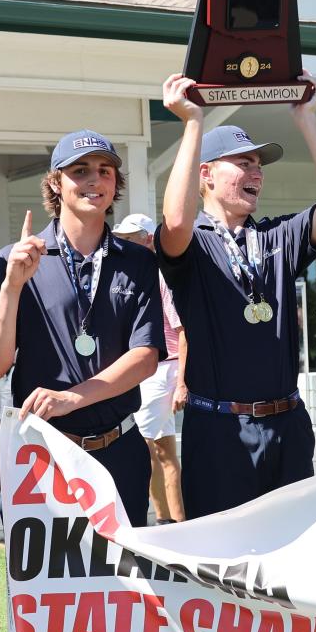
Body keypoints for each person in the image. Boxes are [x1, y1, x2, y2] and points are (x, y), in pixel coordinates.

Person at [157, 71, 316, 519]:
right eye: (242, 162)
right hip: (219, 431)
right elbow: (173, 222)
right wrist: (193, 124)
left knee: (292, 567)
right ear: (205, 174)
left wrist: (306, 119)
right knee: (225, 567)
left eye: (258, 164)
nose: (256, 172)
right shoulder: (192, 242)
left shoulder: (277, 236)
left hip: (287, 424)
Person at [0, 130, 164, 527]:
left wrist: (72, 398)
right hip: (43, 453)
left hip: (120, 450)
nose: (94, 180)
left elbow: (145, 358)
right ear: (56, 183)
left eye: (105, 171)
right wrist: (12, 286)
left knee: (124, 585)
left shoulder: (139, 261)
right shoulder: (14, 259)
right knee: (44, 590)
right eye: (80, 171)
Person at [113, 212, 187, 523]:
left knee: (159, 452)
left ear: (147, 240)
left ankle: (175, 525)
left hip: (163, 370)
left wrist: (182, 381)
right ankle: (167, 522)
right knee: (157, 452)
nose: (124, 245)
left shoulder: (160, 277)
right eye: (123, 240)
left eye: (130, 239)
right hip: (152, 372)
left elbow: (184, 332)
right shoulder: (141, 276)